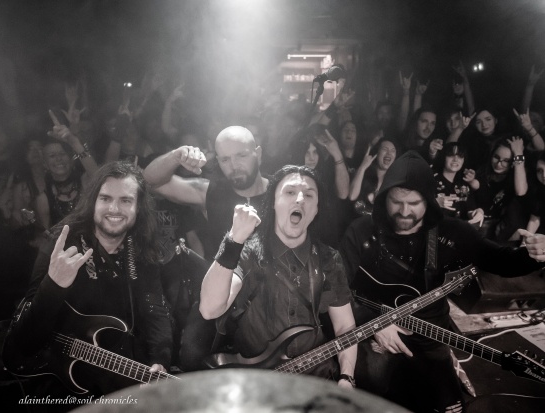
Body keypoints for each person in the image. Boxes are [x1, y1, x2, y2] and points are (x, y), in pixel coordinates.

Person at [340, 151, 545, 412]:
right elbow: (336, 290)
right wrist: (373, 323)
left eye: (414, 203)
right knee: (372, 395)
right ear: (384, 197)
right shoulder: (361, 230)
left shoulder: (452, 231)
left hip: (430, 332)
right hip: (371, 328)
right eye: (396, 201)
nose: (404, 211)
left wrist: (535, 255)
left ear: (429, 200)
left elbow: (501, 261)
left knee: (450, 406)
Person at [4, 161, 172, 405]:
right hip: (59, 383)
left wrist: (160, 358)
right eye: (105, 198)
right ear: (93, 201)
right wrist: (54, 284)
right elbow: (24, 344)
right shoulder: (62, 243)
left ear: (138, 207)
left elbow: (154, 309)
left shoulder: (142, 250)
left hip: (114, 369)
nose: (114, 208)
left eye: (126, 200)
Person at [199, 165, 357, 387]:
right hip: (259, 380)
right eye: (290, 192)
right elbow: (209, 309)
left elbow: (344, 326)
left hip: (314, 376)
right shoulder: (249, 252)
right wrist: (234, 240)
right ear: (273, 202)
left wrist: (347, 377)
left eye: (309, 195)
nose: (300, 199)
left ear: (316, 209)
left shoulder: (328, 259)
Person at [143, 125, 268, 257]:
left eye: (241, 155)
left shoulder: (279, 191)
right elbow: (149, 182)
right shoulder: (211, 193)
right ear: (218, 161)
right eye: (225, 159)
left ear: (258, 154)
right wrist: (176, 156)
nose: (234, 166)